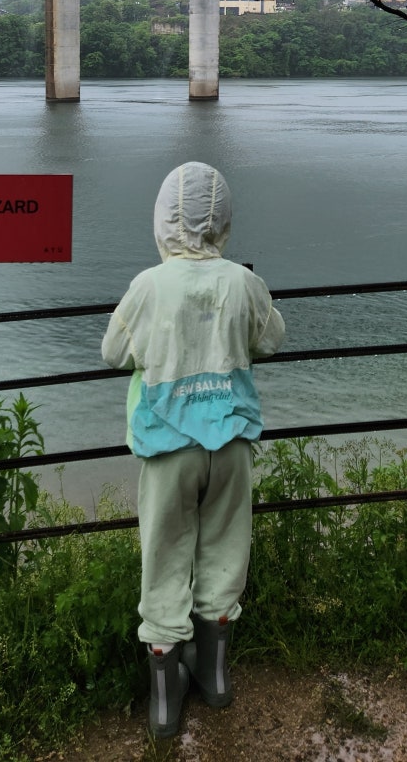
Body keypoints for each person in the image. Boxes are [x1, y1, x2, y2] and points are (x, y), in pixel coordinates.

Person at [102, 161, 285, 739]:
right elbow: (271, 338)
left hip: (167, 445)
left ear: (163, 220)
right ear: (224, 218)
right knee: (226, 552)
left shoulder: (148, 286)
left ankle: (164, 697)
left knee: (165, 556)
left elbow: (113, 352)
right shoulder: (242, 281)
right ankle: (215, 674)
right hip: (231, 442)